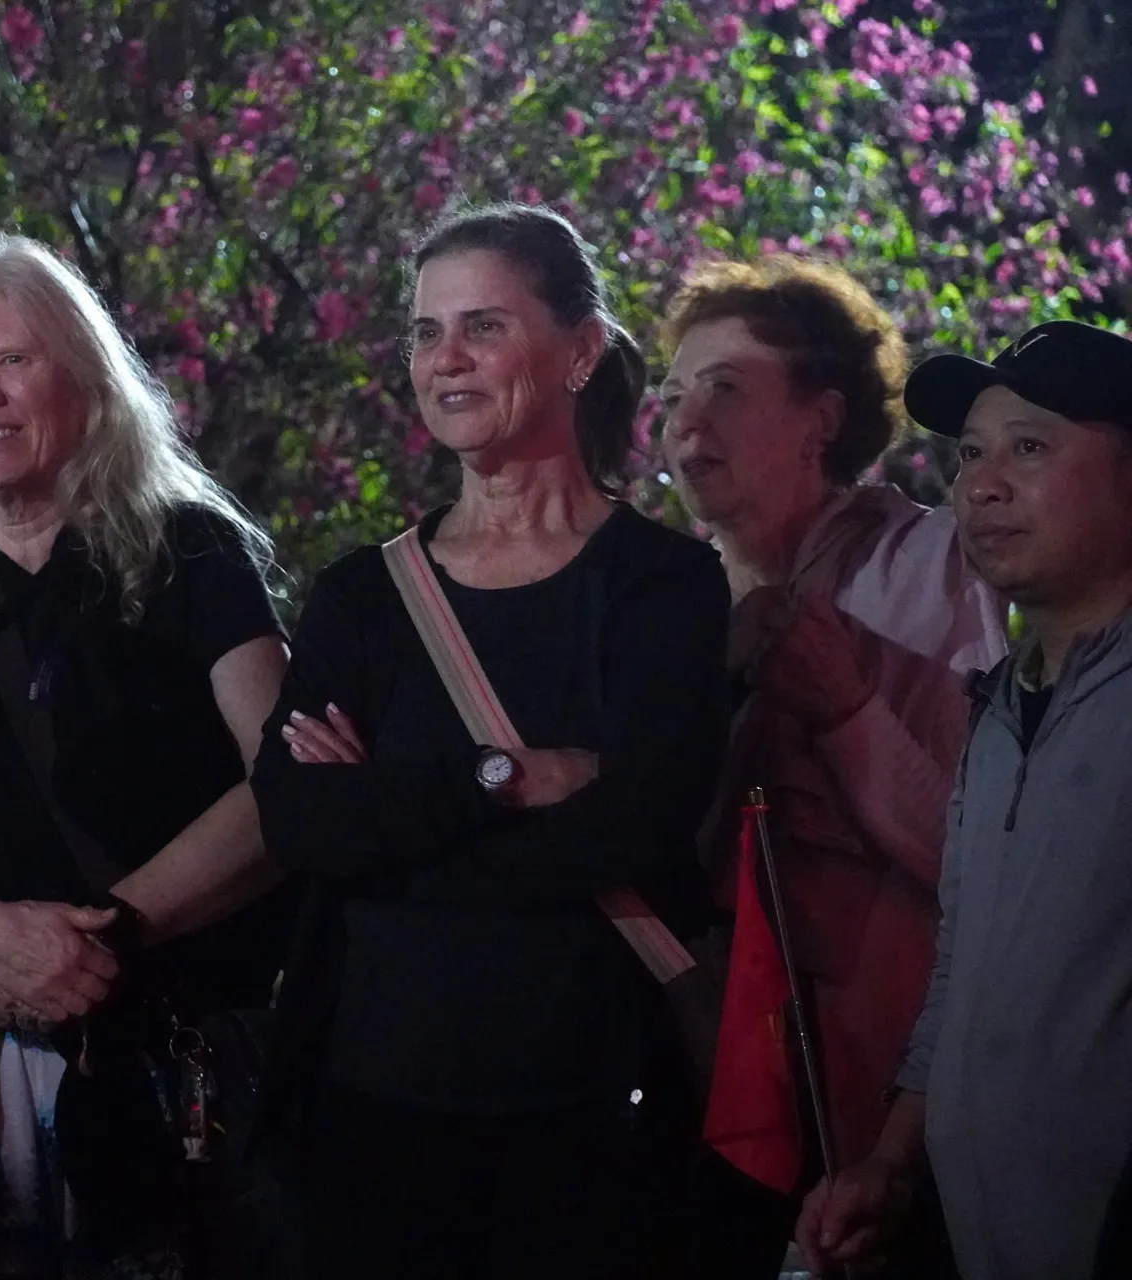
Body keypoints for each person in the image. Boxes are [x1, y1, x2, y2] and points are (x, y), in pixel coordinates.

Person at [248, 203, 730, 1277]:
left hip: (588, 1118)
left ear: (580, 352)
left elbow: (633, 829)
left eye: (484, 326)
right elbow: (300, 822)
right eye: (426, 332)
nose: (446, 359)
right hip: (367, 1110)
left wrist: (390, 818)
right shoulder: (362, 597)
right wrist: (498, 776)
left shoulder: (664, 585)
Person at [0, 232, 291, 1278]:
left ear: (84, 376)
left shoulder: (194, 551)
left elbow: (283, 788)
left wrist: (99, 938)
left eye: (12, 361)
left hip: (165, 1055)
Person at [657, 257, 1007, 1276]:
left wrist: (844, 704)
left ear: (822, 420)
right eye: (672, 396)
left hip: (874, 1097)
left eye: (726, 387)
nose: (687, 421)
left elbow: (972, 856)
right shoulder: (673, 607)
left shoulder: (923, 566)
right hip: (706, 1070)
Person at [796, 321, 1132, 1279]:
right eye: (970, 455)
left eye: (1029, 448)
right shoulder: (998, 709)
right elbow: (964, 966)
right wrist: (892, 1164)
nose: (981, 486)